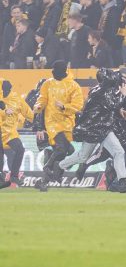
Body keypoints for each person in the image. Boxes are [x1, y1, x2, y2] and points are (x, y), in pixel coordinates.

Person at [38, 68, 126, 192]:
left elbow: (112, 108)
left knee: (118, 151)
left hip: (104, 128)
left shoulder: (107, 90)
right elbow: (112, 106)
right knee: (83, 156)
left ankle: (123, 180)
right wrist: (123, 95)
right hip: (92, 128)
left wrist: (121, 106)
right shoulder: (100, 91)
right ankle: (59, 165)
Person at [32, 60, 84, 189]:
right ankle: (49, 167)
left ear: (64, 71)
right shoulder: (47, 84)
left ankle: (45, 180)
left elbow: (78, 106)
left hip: (67, 123)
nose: (53, 73)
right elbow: (42, 99)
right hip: (52, 123)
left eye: (56, 71)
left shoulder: (73, 86)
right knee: (62, 148)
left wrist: (64, 107)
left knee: (68, 150)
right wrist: (38, 106)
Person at [0, 79, 33, 185]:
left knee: (20, 149)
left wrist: (38, 124)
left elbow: (28, 113)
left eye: (5, 90)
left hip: (9, 134)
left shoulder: (17, 100)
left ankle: (14, 176)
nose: (3, 92)